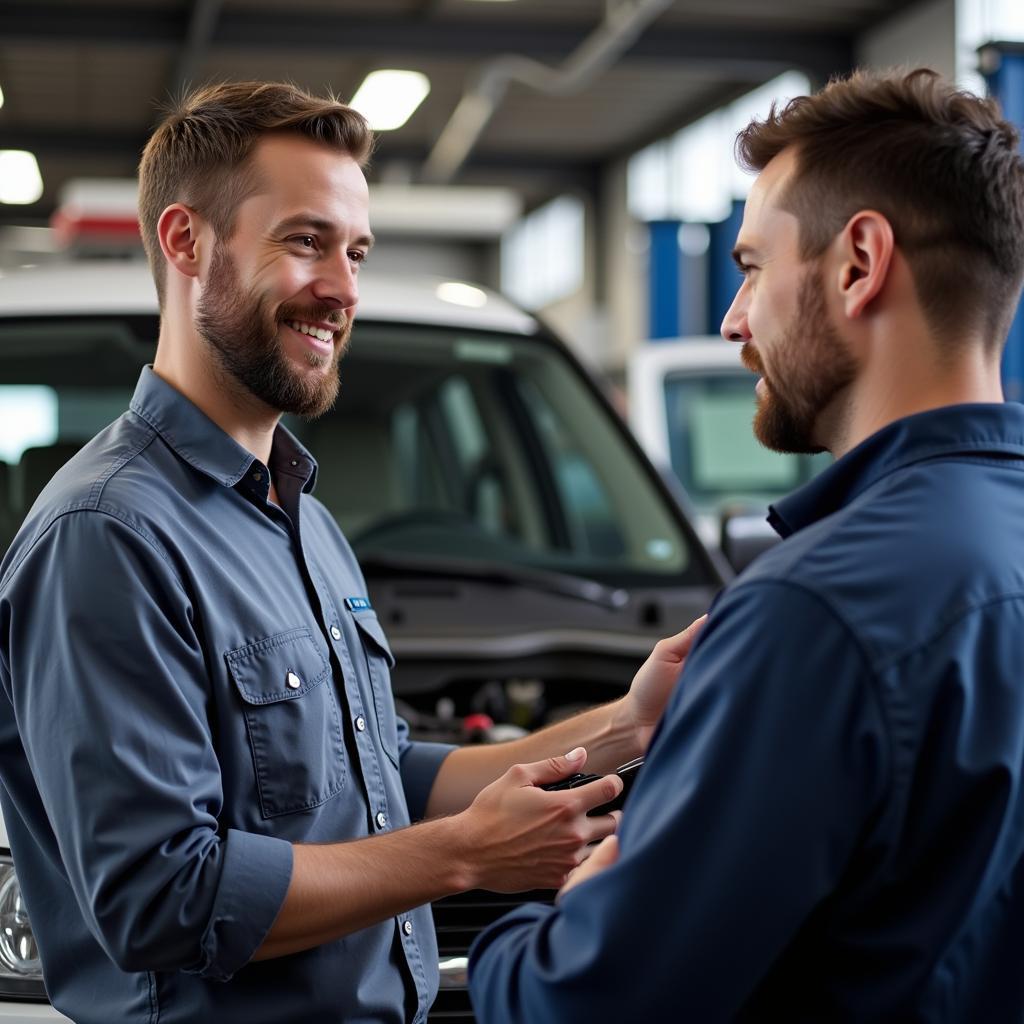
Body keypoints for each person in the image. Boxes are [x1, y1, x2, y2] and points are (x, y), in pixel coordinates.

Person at [0, 82, 703, 1024]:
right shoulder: (106, 537)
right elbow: (160, 898)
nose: (343, 287)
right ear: (185, 242)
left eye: (356, 250)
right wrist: (464, 857)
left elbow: (383, 779)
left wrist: (624, 726)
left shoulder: (303, 519)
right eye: (305, 241)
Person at [468, 67, 1024, 1022]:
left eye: (754, 267)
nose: (732, 320)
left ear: (859, 263)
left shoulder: (816, 611)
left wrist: (540, 928)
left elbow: (587, 1006)